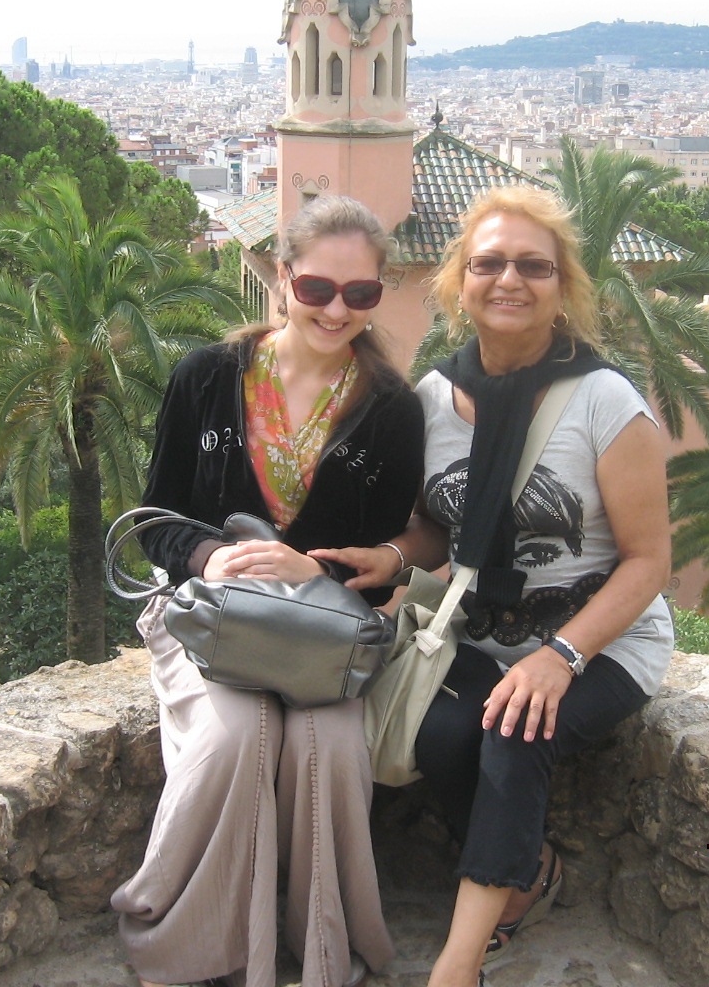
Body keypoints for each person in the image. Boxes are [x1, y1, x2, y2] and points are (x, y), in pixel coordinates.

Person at [317, 185, 674, 987]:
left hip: (602, 640)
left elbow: (649, 562)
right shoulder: (434, 398)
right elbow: (437, 526)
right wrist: (394, 559)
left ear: (563, 286)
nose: (509, 279)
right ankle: (530, 872)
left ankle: (459, 963)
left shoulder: (604, 401)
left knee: (516, 730)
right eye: (489, 263)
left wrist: (561, 657)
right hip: (479, 632)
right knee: (444, 735)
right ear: (459, 282)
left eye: (533, 266)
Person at [112, 195, 425, 987]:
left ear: (378, 294)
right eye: (317, 287)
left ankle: (319, 950)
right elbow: (157, 520)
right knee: (234, 738)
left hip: (321, 639)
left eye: (360, 293)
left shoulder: (391, 411)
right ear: (283, 277)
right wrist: (211, 555)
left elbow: (381, 562)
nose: (336, 310)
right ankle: (198, 944)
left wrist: (316, 571)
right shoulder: (207, 378)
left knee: (331, 750)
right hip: (210, 620)